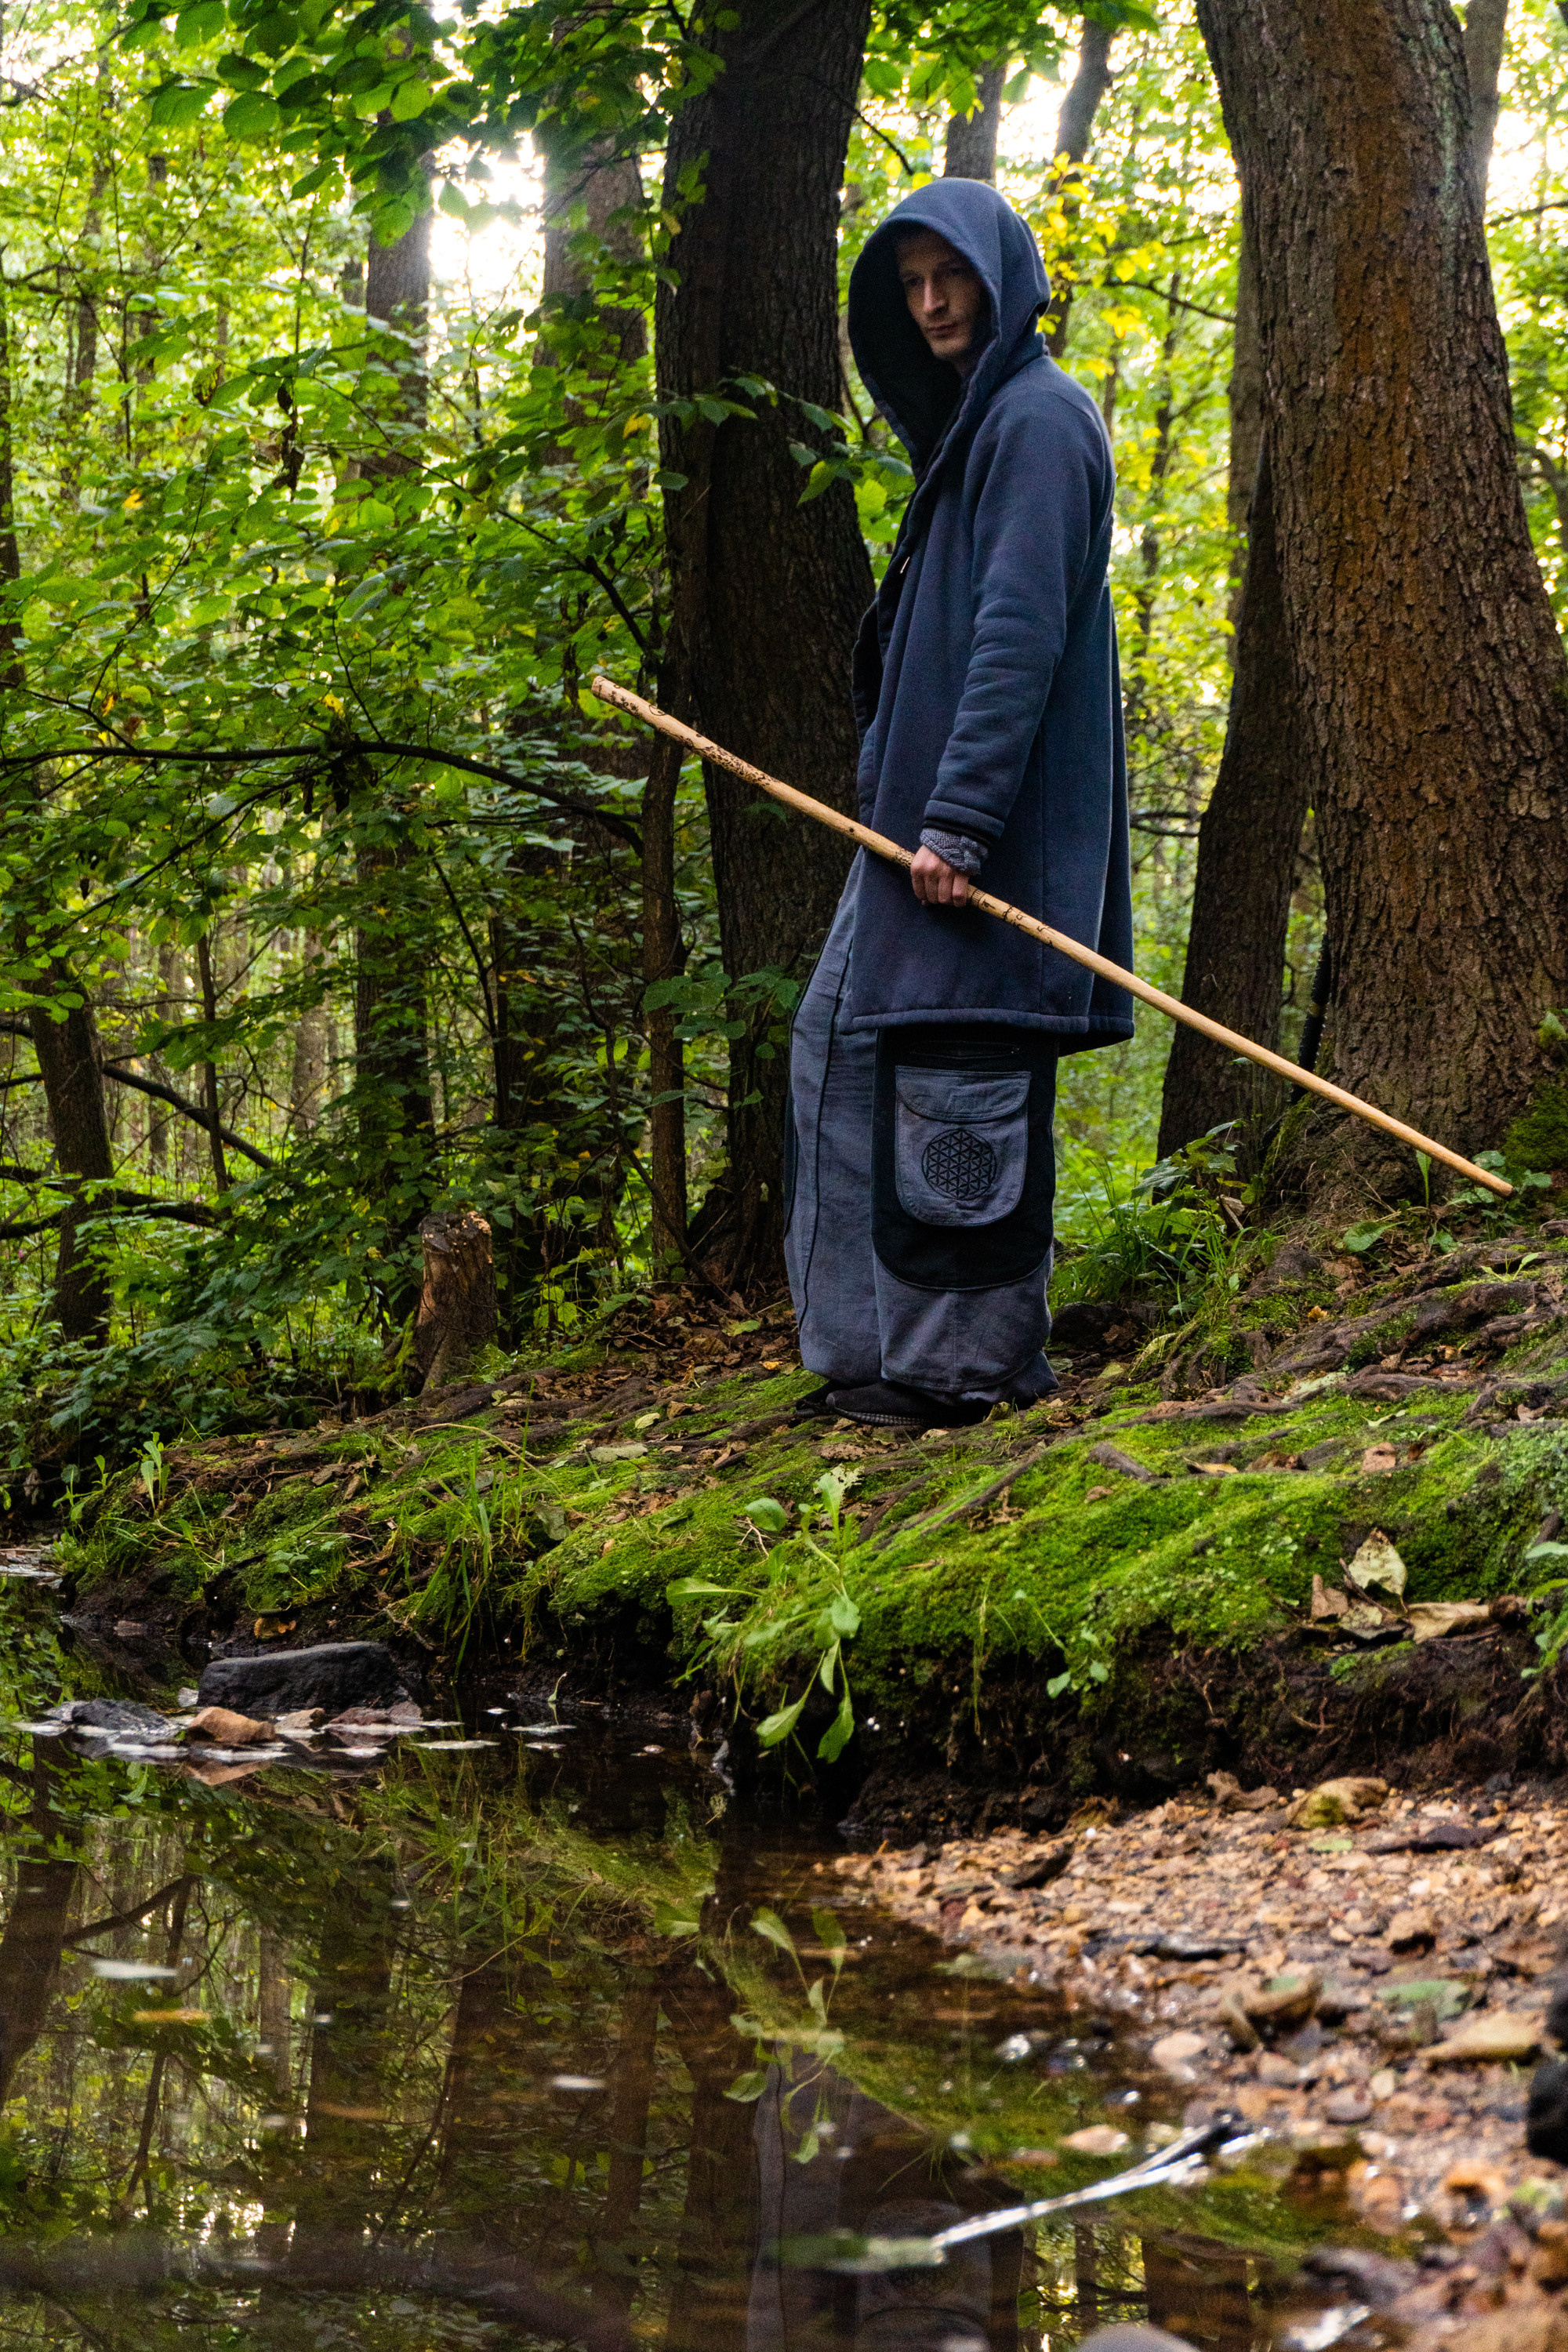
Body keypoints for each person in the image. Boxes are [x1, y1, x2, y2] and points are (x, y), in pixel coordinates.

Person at [782, 179, 1134, 1432]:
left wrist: (963, 820)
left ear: (1003, 279)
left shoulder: (1039, 422)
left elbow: (1019, 636)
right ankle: (866, 1355)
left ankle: (965, 1373)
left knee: (958, 1094)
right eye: (910, 282)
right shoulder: (972, 438)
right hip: (911, 842)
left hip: (976, 850)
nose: (930, 303)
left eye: (952, 277)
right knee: (837, 1053)